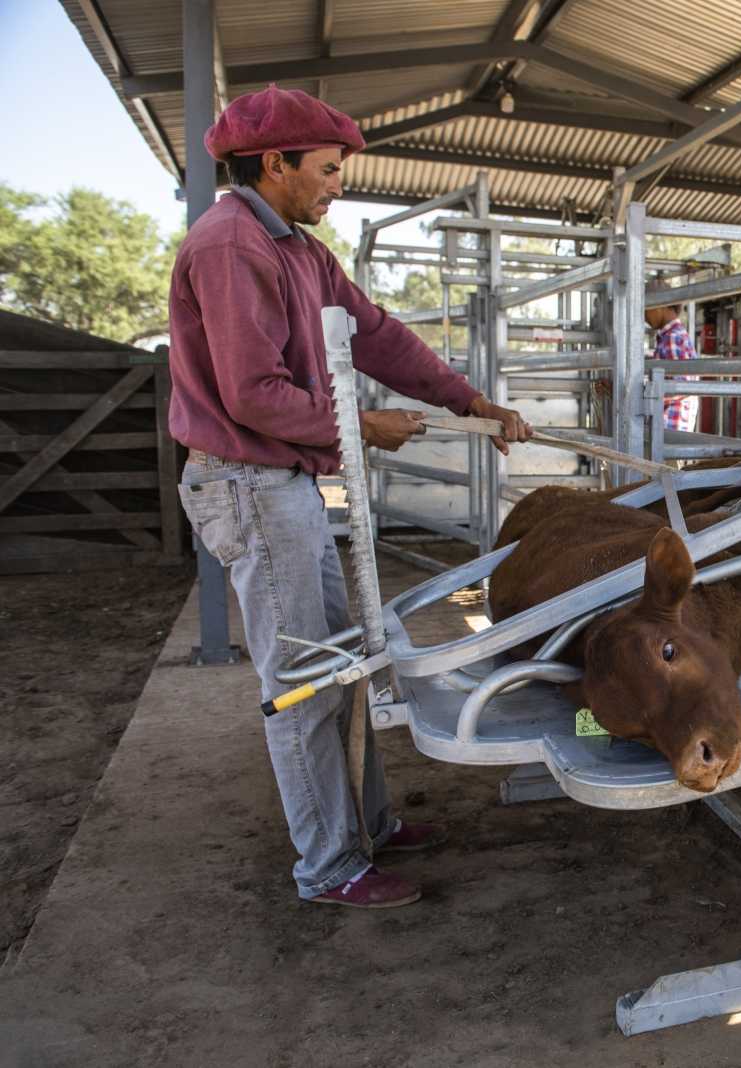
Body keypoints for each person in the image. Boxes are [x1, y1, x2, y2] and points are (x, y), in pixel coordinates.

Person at [167, 84, 533, 909]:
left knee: (344, 659)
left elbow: (376, 333)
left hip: (283, 480)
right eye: (328, 169)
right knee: (303, 678)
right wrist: (361, 426)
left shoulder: (299, 247)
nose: (338, 184)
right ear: (276, 163)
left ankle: (366, 826)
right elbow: (251, 394)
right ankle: (329, 867)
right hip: (250, 482)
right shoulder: (232, 245)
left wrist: (465, 400)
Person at [645, 302, 700, 432]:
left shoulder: (672, 337)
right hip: (674, 421)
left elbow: (681, 386)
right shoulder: (673, 335)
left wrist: (641, 394)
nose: (644, 317)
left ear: (660, 306)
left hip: (670, 422)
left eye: (645, 310)